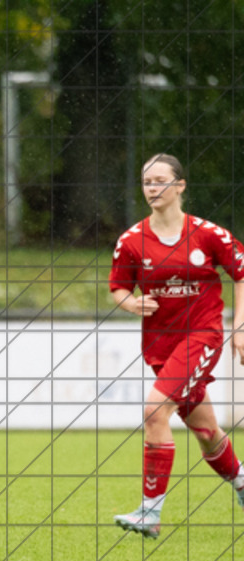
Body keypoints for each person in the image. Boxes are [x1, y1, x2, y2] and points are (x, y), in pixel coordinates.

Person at [109, 153, 244, 538]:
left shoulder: (208, 235)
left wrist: (239, 327)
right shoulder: (131, 241)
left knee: (155, 412)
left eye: (160, 180)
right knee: (206, 431)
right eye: (147, 181)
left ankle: (149, 514)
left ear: (180, 186)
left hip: (201, 336)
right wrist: (131, 303)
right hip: (159, 346)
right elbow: (118, 286)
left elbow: (241, 272)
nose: (152, 187)